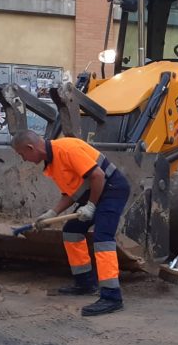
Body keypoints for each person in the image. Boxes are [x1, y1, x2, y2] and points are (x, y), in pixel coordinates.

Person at [11, 130, 130, 317]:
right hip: (94, 192)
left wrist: (91, 206)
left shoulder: (66, 149)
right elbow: (71, 193)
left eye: (21, 154)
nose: (23, 159)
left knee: (103, 238)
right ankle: (85, 283)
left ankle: (112, 297)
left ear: (30, 147)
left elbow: (98, 175)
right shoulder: (52, 163)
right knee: (72, 232)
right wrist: (52, 213)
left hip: (112, 189)